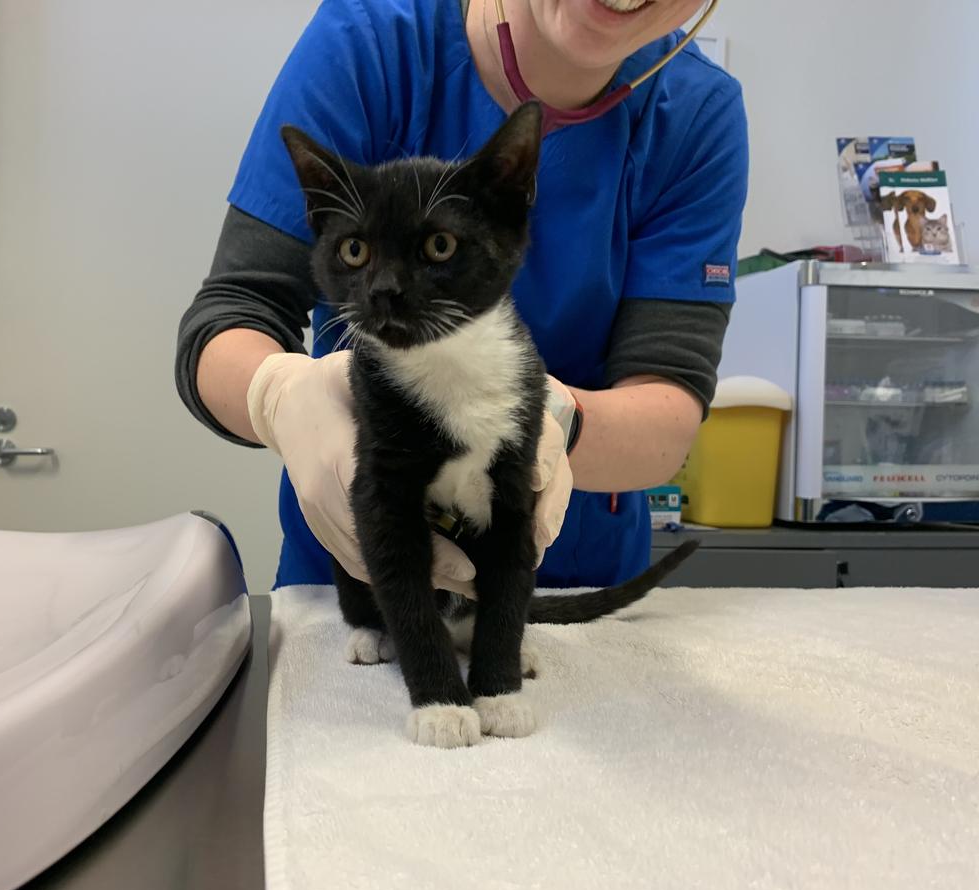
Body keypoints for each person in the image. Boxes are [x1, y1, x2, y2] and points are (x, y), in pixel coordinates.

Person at [176, 0, 748, 593]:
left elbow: (666, 411)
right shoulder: (375, 42)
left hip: (571, 585)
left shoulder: (695, 114)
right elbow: (230, 318)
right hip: (358, 586)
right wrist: (278, 395)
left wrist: (554, 421)